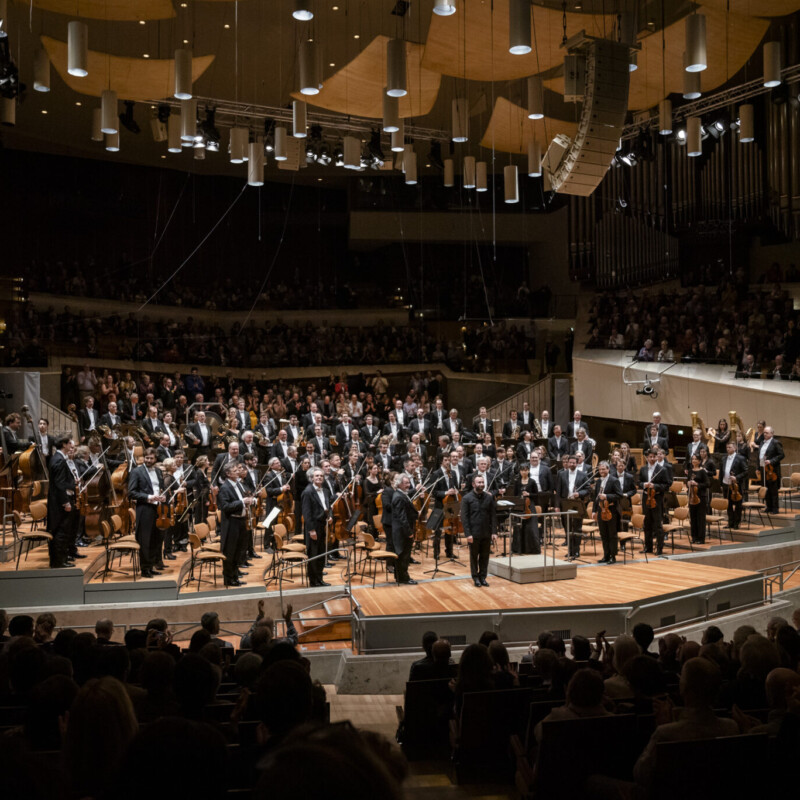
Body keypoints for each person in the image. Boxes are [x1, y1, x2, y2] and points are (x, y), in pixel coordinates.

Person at [633, 658, 738, 791]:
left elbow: (641, 775)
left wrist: (664, 728)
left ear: (684, 688)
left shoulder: (665, 733)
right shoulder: (731, 728)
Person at [128, 447, 167, 578]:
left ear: (156, 459)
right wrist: (149, 497)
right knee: (145, 539)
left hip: (158, 508)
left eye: (151, 458)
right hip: (144, 508)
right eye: (147, 458)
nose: (149, 460)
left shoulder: (157, 471)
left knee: (155, 539)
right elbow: (131, 492)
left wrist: (163, 496)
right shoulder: (136, 472)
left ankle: (151, 565)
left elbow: (160, 488)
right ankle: (144, 569)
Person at [218, 463, 256, 587]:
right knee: (230, 552)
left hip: (241, 521)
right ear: (228, 474)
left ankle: (235, 577)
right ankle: (228, 579)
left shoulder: (238, 484)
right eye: (235, 470)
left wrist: (249, 501)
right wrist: (241, 502)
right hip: (231, 523)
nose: (238, 472)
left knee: (239, 551)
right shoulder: (224, 487)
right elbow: (225, 507)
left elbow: (242, 499)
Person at [47, 435, 80, 568]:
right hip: (59, 503)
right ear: (64, 444)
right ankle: (58, 562)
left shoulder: (57, 458)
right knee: (61, 531)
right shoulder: (60, 460)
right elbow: (59, 484)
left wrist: (72, 482)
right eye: (69, 443)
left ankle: (62, 558)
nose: (71, 446)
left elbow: (61, 481)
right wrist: (66, 502)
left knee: (64, 530)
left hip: (57, 500)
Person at [461, 474, 497, 588]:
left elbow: (493, 515)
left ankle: (483, 577)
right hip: (474, 533)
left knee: (485, 556)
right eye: (479, 482)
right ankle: (475, 577)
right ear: (473, 484)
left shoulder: (489, 497)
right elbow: (464, 518)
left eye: (482, 482)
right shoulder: (467, 498)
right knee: (474, 556)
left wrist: (494, 532)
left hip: (486, 532)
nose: (481, 484)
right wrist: (468, 534)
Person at [557, 455, 591, 559]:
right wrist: (557, 506)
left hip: (577, 504)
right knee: (568, 528)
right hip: (565, 503)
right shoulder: (561, 474)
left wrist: (579, 494)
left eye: (574, 463)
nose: (572, 464)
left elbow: (588, 489)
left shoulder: (582, 475)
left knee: (577, 528)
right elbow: (558, 491)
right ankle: (570, 550)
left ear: (577, 463)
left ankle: (576, 551)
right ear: (567, 463)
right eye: (570, 462)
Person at [301, 467, 330, 587]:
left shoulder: (325, 491)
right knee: (313, 554)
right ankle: (313, 581)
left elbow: (328, 506)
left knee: (321, 553)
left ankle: (320, 578)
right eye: (316, 476)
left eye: (321, 476)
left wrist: (330, 516)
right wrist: (311, 530)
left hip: (323, 525)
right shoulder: (307, 492)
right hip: (313, 527)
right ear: (312, 478)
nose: (319, 477)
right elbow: (306, 514)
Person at [637, 450, 670, 555]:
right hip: (646, 498)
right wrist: (644, 485)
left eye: (653, 457)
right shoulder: (643, 469)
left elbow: (667, 485)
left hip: (657, 499)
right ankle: (648, 547)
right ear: (646, 458)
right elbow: (638, 482)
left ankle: (659, 548)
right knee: (647, 524)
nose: (652, 459)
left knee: (658, 525)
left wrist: (655, 486)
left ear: (656, 457)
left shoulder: (662, 470)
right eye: (650, 457)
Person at [390, 474, 418, 585]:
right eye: (406, 483)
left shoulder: (400, 494)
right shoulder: (398, 497)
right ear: (400, 484)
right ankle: (404, 578)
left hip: (401, 530)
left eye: (408, 483)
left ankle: (400, 576)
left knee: (402, 555)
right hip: (403, 532)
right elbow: (402, 518)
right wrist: (409, 533)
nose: (409, 485)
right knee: (404, 555)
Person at [592, 460, 621, 564]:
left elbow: (619, 495)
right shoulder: (599, 481)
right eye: (600, 469)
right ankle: (606, 555)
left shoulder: (614, 480)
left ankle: (613, 556)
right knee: (603, 534)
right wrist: (594, 511)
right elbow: (596, 497)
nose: (601, 471)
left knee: (612, 534)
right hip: (601, 510)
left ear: (608, 469)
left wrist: (607, 496)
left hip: (611, 510)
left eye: (603, 469)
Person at [758, 426, 784, 513]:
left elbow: (781, 455)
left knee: (773, 489)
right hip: (763, 469)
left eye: (767, 433)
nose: (764, 434)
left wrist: (771, 461)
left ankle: (775, 508)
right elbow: (761, 457)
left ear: (772, 434)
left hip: (772, 470)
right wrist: (758, 467)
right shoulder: (762, 443)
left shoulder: (776, 442)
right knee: (766, 488)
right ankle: (768, 506)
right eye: (764, 432)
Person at [686, 453, 710, 543]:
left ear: (699, 461)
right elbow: (687, 482)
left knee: (700, 518)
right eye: (692, 459)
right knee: (693, 518)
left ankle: (701, 538)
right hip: (691, 497)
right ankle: (694, 537)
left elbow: (708, 484)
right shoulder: (690, 471)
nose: (694, 460)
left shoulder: (702, 471)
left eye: (696, 459)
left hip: (701, 497)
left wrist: (697, 484)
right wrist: (688, 484)